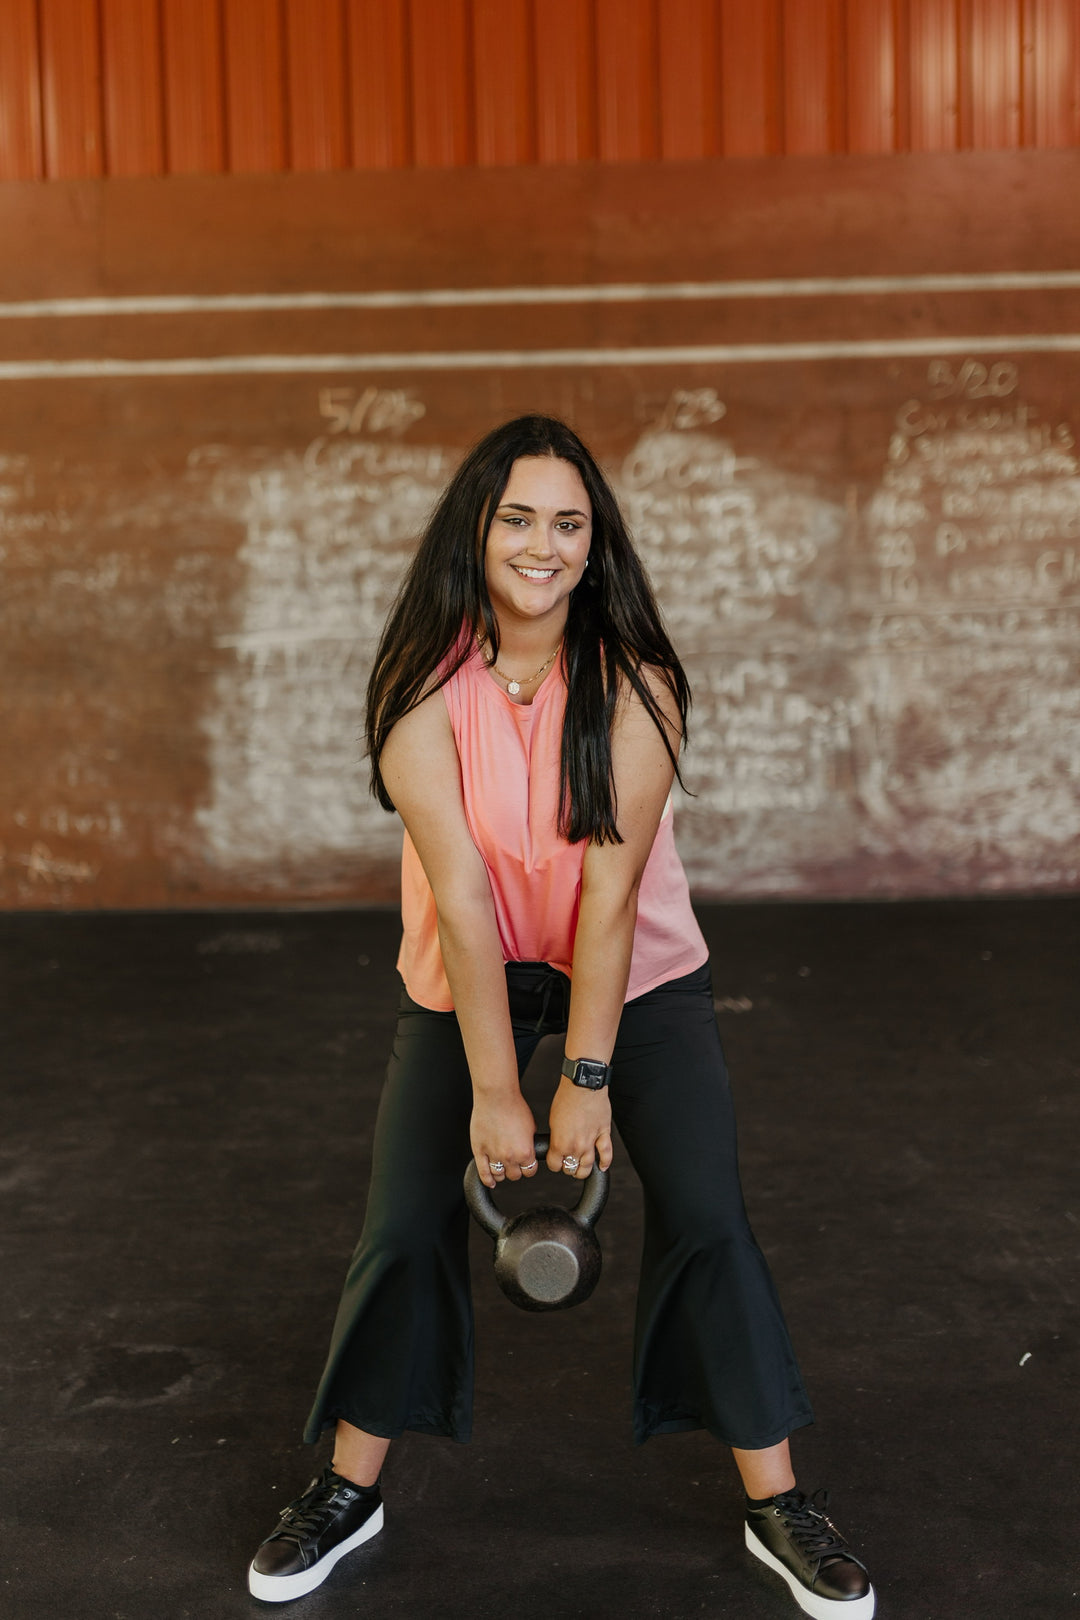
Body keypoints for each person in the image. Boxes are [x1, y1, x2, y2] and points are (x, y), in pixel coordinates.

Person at [247, 416, 875, 1618]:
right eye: (519, 518)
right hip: (469, 968)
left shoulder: (636, 678)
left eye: (570, 524)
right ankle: (347, 1490)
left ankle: (778, 1506)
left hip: (631, 973)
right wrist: (495, 1084)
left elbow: (610, 893)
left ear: (596, 547)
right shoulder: (419, 680)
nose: (544, 544)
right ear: (477, 531)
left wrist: (581, 1076)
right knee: (400, 1221)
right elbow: (465, 898)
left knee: (707, 1215)